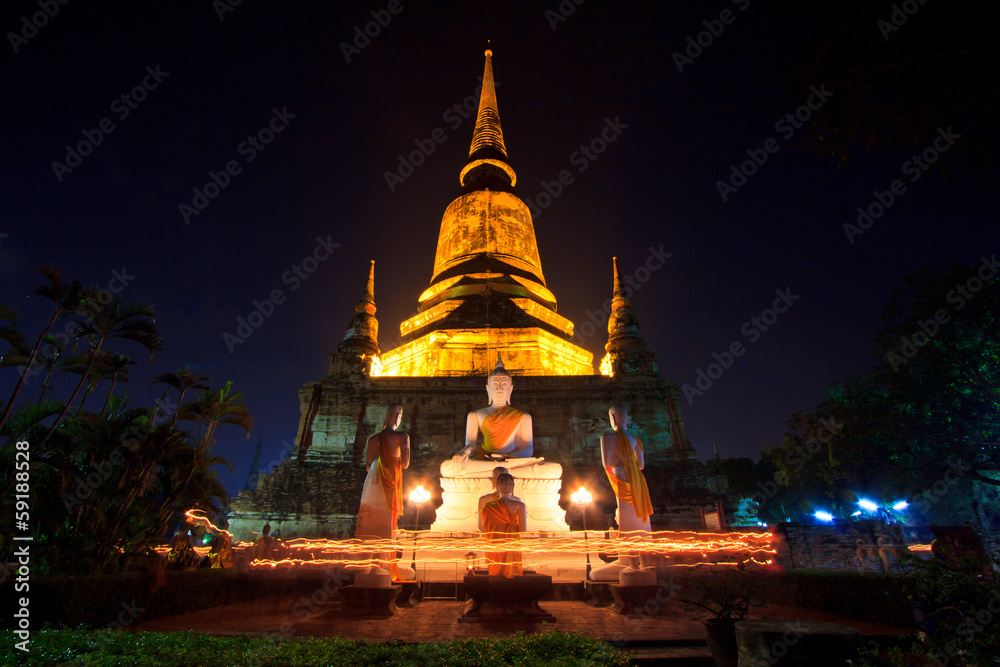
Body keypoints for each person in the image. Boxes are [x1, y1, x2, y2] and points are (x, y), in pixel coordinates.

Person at [480, 472, 526, 578]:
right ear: (497, 485)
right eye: (503, 483)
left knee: (498, 574)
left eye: (508, 483)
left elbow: (485, 528)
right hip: (507, 542)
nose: (506, 486)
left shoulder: (488, 506)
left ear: (513, 486)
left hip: (498, 543)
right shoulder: (489, 507)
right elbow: (522, 529)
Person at [476, 466, 521, 531]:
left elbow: (520, 527)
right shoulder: (484, 500)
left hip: (510, 538)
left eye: (506, 480)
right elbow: (481, 526)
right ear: (493, 481)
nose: (503, 483)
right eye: (499, 480)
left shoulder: (517, 501)